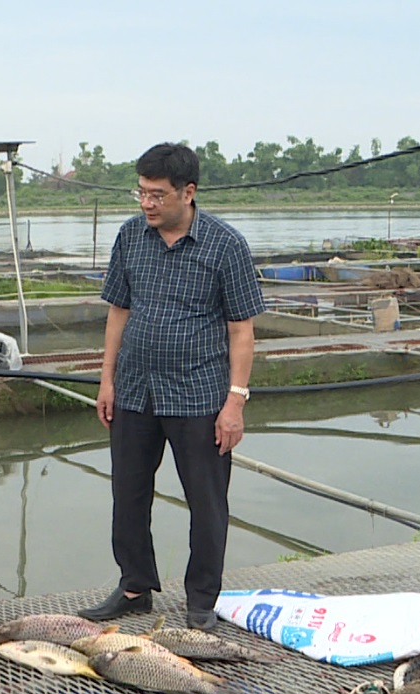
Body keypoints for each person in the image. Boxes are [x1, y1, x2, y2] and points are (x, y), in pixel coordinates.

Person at [78, 143, 266, 632]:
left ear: (189, 192)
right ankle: (135, 586)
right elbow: (118, 309)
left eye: (157, 194)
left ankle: (202, 598)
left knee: (206, 502)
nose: (147, 204)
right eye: (141, 193)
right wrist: (107, 380)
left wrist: (234, 403)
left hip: (199, 395)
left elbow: (241, 330)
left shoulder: (225, 245)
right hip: (136, 390)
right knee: (129, 493)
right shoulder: (130, 237)